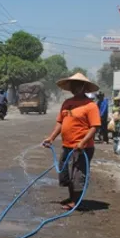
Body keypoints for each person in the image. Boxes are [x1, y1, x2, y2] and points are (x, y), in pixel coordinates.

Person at [42, 73, 101, 210]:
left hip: (82, 148)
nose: (75, 88)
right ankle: (71, 197)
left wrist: (83, 142)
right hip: (67, 146)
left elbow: (94, 127)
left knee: (77, 174)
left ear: (84, 87)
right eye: (73, 85)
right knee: (66, 173)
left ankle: (75, 201)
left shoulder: (90, 106)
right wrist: (51, 138)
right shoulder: (67, 103)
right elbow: (60, 123)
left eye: (78, 85)